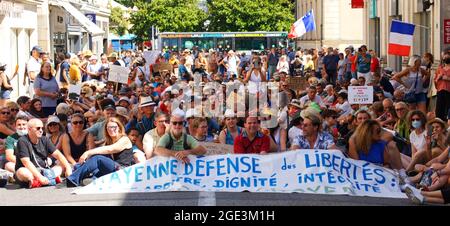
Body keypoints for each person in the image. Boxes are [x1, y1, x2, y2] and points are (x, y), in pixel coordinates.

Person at [66, 117, 135, 187]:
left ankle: (72, 179)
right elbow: (101, 151)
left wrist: (87, 153)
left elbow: (111, 149)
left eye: (114, 127)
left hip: (123, 169)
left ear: (119, 128)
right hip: (112, 168)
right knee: (92, 164)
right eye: (109, 128)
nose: (111, 129)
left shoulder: (124, 139)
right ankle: (93, 179)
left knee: (98, 159)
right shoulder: (108, 141)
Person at [14, 119, 72, 188]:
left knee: (61, 165)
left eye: (42, 128)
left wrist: (68, 168)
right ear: (29, 129)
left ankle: (38, 182)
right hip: (30, 170)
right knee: (22, 172)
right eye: (38, 128)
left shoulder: (45, 139)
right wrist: (40, 177)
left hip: (44, 170)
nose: (41, 130)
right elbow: (26, 162)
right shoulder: (22, 141)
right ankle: (50, 179)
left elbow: (58, 155)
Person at [434, 53, 450, 121]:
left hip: (449, 91)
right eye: (444, 57)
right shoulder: (439, 68)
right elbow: (435, 80)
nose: (446, 58)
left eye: (448, 57)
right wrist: (438, 78)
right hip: (440, 90)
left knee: (448, 109)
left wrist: (448, 78)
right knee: (439, 110)